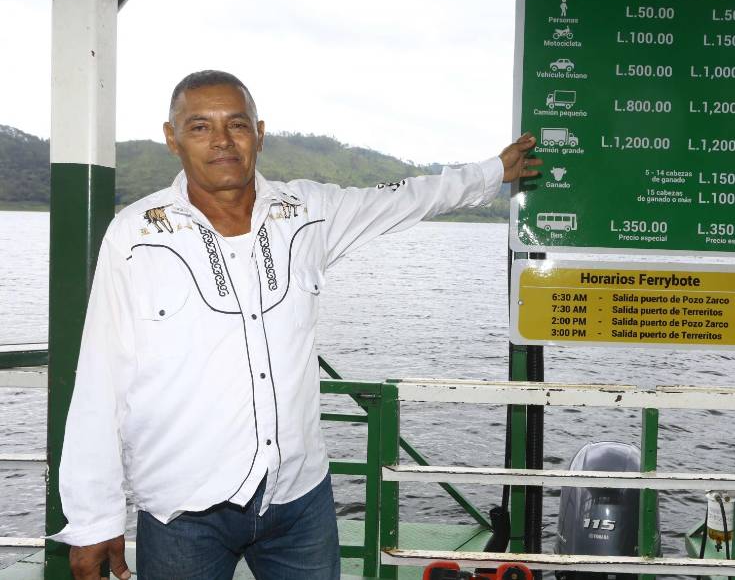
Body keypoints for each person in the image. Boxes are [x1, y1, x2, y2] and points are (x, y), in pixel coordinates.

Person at [51, 70, 542, 580]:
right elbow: (101, 380)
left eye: (237, 125)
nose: (222, 141)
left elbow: (404, 198)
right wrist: (93, 520)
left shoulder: (306, 213)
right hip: (182, 508)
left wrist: (492, 172)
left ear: (259, 133)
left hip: (298, 498)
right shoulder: (136, 236)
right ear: (172, 138)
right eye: (199, 127)